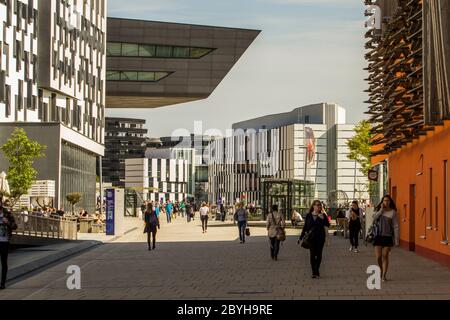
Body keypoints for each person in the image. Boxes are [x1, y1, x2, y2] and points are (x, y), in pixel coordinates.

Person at [299, 200, 330, 279]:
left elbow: (327, 225)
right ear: (313, 206)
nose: (319, 206)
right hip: (311, 238)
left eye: (320, 205)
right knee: (312, 254)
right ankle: (314, 272)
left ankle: (317, 269)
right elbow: (305, 227)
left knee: (319, 254)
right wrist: (301, 237)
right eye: (317, 205)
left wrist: (322, 218)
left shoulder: (323, 215)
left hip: (320, 238)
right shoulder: (309, 215)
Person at [373, 195, 399, 282]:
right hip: (378, 236)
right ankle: (381, 270)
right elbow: (374, 218)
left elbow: (396, 226)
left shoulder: (393, 212)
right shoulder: (379, 210)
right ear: (382, 202)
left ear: (390, 202)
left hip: (388, 236)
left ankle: (384, 275)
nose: (386, 202)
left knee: (385, 255)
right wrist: (381, 210)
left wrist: (396, 240)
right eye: (384, 200)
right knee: (378, 257)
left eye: (387, 200)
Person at [0, 201, 17, 289]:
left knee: (3, 263)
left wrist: (7, 223)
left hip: (4, 241)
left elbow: (15, 226)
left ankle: (2, 283)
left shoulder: (7, 213)